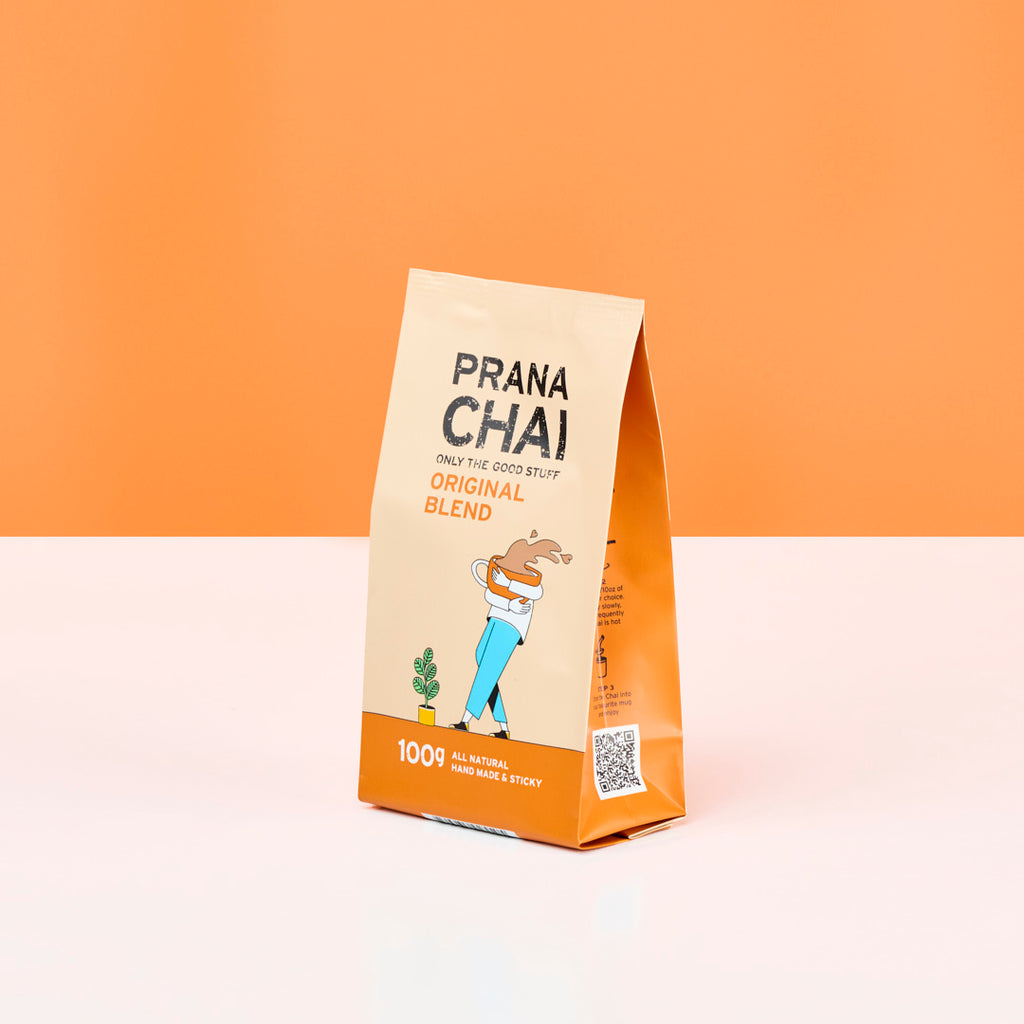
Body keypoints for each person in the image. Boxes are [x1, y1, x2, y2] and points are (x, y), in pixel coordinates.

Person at [449, 560, 543, 739]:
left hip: (511, 625)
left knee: (487, 670)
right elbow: (490, 594)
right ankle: (503, 727)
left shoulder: (530, 578)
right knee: (482, 658)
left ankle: (465, 720)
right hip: (496, 616)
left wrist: (507, 583)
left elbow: (537, 592)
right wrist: (507, 603)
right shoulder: (505, 566)